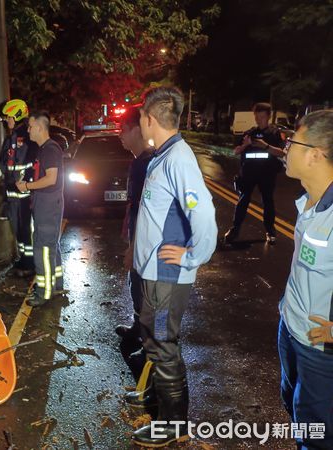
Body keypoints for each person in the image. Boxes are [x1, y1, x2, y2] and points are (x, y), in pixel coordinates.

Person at [129, 87, 217, 447]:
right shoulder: (162, 156)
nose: (139, 124)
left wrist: (193, 255)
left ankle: (173, 425)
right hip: (152, 273)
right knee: (155, 343)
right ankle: (157, 404)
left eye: (140, 118)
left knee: (164, 347)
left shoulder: (178, 158)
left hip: (166, 277)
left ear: (149, 118)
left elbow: (205, 214)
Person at [278, 110, 333, 450]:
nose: (285, 148)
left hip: (320, 348)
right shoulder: (309, 202)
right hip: (292, 329)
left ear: (314, 154)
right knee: (297, 411)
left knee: (318, 434)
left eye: (292, 142)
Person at [0, 99, 38, 275]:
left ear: (17, 115)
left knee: (26, 230)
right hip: (12, 194)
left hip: (25, 194)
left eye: (8, 117)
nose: (6, 120)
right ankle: (23, 261)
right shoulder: (11, 138)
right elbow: (3, 163)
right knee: (18, 230)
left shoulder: (28, 137)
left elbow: (28, 163)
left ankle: (30, 264)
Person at [115, 105, 153, 360]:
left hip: (146, 240)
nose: (121, 135)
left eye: (125, 129)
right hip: (137, 233)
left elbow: (146, 210)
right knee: (136, 285)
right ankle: (138, 329)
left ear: (138, 129)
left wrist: (133, 247)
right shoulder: (138, 161)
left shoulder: (148, 164)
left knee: (145, 289)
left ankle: (150, 348)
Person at [16, 111, 64, 307]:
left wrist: (27, 186)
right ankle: (57, 284)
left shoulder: (50, 149)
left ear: (39, 127)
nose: (28, 130)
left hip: (48, 206)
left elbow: (51, 178)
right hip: (47, 204)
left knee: (43, 249)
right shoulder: (45, 149)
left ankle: (44, 293)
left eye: (30, 126)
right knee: (51, 246)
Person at [224, 103, 285, 245]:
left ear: (268, 116)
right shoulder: (249, 133)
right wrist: (246, 144)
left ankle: (270, 231)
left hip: (267, 174)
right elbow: (236, 151)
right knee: (242, 201)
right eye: (256, 116)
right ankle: (235, 229)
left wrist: (265, 146)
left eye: (262, 116)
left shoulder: (274, 133)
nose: (258, 119)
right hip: (249, 173)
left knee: (268, 202)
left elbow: (282, 153)